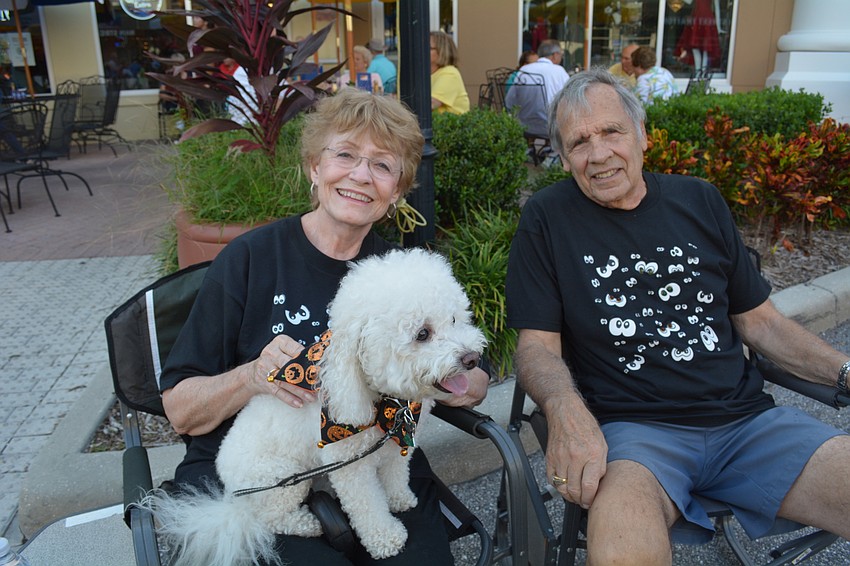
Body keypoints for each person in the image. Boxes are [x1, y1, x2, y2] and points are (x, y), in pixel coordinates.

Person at [505, 67, 850, 565]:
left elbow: (762, 323)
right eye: (579, 142)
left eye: (611, 132)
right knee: (623, 545)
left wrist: (843, 370)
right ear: (562, 159)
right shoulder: (547, 217)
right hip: (635, 438)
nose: (598, 154)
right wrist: (565, 411)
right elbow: (536, 345)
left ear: (642, 135)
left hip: (748, 426)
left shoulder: (699, 200)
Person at [159, 88, 490, 565]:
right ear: (315, 166)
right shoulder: (250, 259)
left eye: (382, 165)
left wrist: (463, 378)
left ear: (395, 190)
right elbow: (180, 410)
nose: (361, 175)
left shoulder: (401, 273)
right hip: (264, 467)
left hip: (375, 455)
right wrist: (252, 376)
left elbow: (464, 361)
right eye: (346, 155)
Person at [516, 39, 569, 105]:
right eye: (561, 55)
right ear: (555, 55)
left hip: (524, 115)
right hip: (550, 114)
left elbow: (510, 100)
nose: (561, 57)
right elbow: (569, 97)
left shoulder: (524, 69)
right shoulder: (559, 71)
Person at [429, 30, 470, 114]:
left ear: (442, 52)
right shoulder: (426, 74)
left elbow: (430, 104)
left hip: (452, 126)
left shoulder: (450, 73)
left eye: (428, 48)